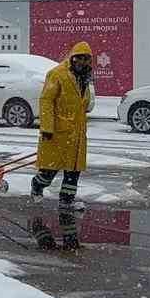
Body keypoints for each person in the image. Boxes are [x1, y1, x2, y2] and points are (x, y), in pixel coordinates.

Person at [31, 42, 94, 209]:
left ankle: (67, 200)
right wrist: (46, 127)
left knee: (74, 170)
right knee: (50, 170)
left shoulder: (85, 77)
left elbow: (82, 102)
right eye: (79, 58)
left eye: (86, 59)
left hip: (77, 133)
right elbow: (46, 100)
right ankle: (37, 185)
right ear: (72, 58)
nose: (82, 62)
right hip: (57, 131)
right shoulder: (57, 74)